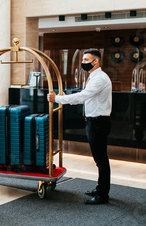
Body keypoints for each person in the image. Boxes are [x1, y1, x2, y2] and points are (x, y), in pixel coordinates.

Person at [47, 48, 112, 205]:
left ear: (95, 61)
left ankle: (102, 195)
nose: (83, 63)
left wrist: (58, 98)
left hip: (98, 122)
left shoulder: (99, 78)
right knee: (100, 159)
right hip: (94, 121)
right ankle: (100, 188)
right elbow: (85, 94)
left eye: (85, 60)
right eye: (82, 60)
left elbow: (83, 96)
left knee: (101, 160)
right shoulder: (94, 77)